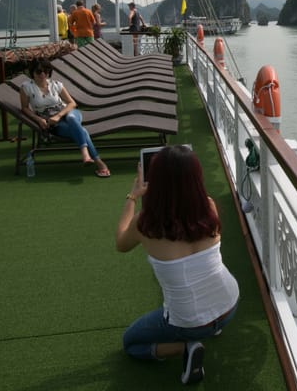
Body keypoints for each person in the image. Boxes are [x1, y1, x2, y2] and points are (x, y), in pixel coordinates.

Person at [116, 145, 239, 385]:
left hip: (189, 324)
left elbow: (121, 243)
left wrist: (133, 196)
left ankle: (186, 347)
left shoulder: (146, 224)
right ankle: (210, 329)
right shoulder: (209, 207)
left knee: (131, 343)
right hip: (228, 307)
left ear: (155, 180)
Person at [19, 58, 110, 177]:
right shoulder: (26, 87)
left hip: (69, 113)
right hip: (53, 123)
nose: (43, 74)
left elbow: (72, 103)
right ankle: (99, 162)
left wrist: (59, 115)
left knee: (72, 119)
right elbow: (25, 108)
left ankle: (85, 153)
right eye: (39, 71)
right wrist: (38, 119)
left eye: (46, 71)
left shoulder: (56, 84)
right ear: (32, 72)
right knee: (82, 131)